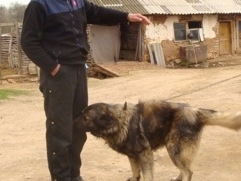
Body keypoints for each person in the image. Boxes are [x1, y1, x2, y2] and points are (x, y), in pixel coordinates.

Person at [20, 0, 150, 181]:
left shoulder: (76, 1)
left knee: (79, 128)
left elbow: (97, 13)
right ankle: (62, 178)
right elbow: (28, 41)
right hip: (58, 74)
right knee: (60, 131)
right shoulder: (40, 5)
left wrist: (126, 16)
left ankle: (74, 176)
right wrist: (52, 67)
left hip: (79, 69)